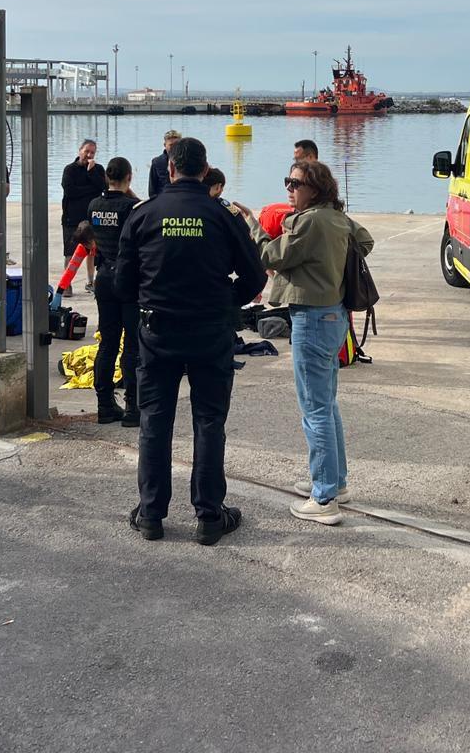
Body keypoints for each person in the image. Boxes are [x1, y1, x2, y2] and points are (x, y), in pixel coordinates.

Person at [114, 137, 265, 545]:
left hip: (158, 331)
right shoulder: (223, 216)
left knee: (154, 421)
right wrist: (225, 301)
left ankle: (151, 514)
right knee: (209, 421)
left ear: (170, 169)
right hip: (209, 331)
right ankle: (209, 516)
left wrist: (154, 297)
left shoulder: (144, 214)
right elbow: (255, 276)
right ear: (205, 170)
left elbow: (123, 283)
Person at [237, 160, 372, 527]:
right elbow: (365, 241)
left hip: (312, 318)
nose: (288, 188)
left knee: (315, 409)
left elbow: (270, 256)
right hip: (333, 315)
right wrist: (332, 264)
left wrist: (251, 224)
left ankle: (324, 497)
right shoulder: (336, 217)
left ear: (314, 188)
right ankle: (335, 482)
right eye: (288, 181)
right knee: (326, 404)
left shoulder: (309, 221)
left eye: (294, 183)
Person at [90, 157, 142, 425]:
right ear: (129, 178)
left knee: (107, 343)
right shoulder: (133, 207)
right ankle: (132, 406)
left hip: (103, 278)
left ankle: (104, 405)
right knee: (132, 344)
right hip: (128, 279)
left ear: (106, 178)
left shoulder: (94, 205)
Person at [60, 140, 106, 292]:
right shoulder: (70, 170)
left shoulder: (98, 169)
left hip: (91, 217)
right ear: (80, 150)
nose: (89, 155)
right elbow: (70, 191)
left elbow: (104, 188)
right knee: (70, 252)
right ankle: (66, 285)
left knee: (92, 251)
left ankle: (90, 282)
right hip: (71, 218)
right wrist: (91, 189)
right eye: (86, 151)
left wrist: (91, 173)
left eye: (92, 152)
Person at [148, 129, 180, 199]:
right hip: (162, 200)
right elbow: (152, 189)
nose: (174, 148)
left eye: (176, 145)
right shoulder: (157, 162)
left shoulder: (187, 161)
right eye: (171, 145)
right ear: (165, 145)